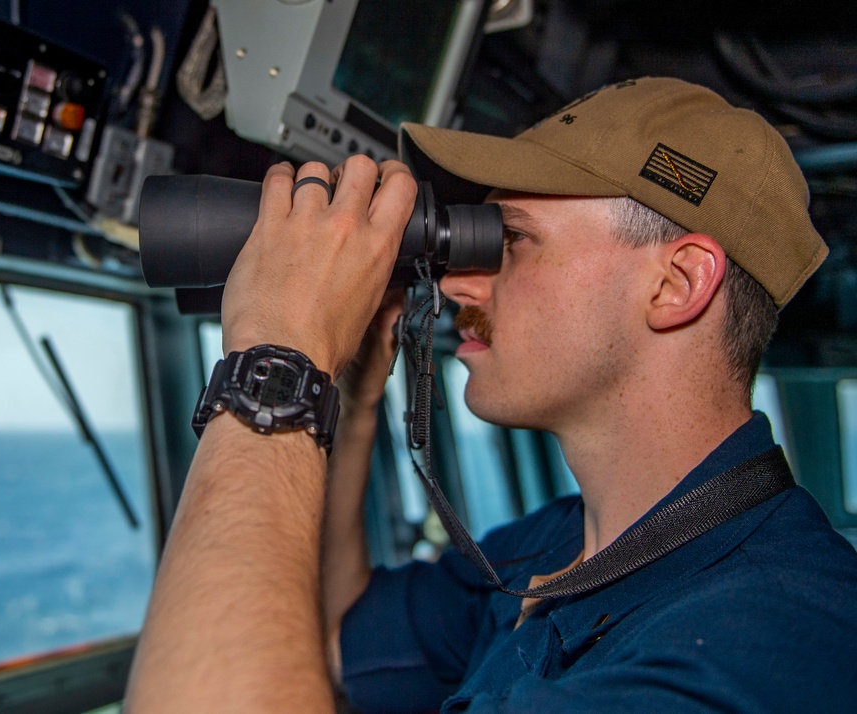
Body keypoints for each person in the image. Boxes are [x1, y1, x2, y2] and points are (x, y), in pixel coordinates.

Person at [123, 77, 857, 713]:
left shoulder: (772, 647)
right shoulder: (558, 547)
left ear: (675, 285)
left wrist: (278, 360)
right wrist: (348, 393)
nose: (456, 284)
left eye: (513, 241)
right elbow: (337, 637)